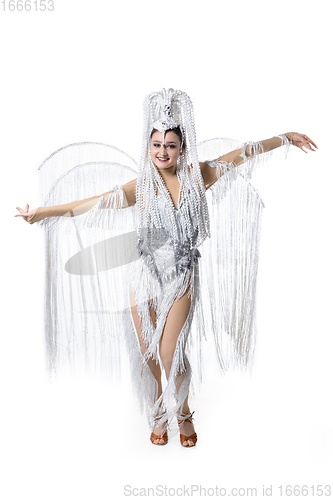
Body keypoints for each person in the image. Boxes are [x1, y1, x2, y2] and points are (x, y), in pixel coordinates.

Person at [15, 88, 317, 447]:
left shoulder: (199, 175)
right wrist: (40, 215)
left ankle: (184, 410)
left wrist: (285, 138)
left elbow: (243, 153)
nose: (162, 152)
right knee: (149, 354)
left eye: (170, 146)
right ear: (149, 147)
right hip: (144, 277)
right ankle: (160, 410)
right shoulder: (140, 187)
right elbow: (90, 203)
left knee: (170, 350)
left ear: (182, 148)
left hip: (183, 275)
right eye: (156, 145)